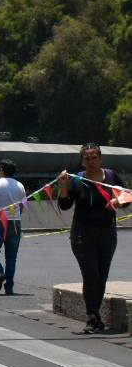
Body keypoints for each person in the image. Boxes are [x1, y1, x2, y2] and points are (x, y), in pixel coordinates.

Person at [56, 143, 124, 333]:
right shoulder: (77, 180)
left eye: (94, 157)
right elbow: (65, 204)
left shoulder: (112, 177)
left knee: (101, 276)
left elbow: (126, 197)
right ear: (82, 160)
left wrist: (118, 201)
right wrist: (64, 186)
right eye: (87, 158)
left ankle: (95, 316)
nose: (91, 161)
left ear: (100, 158)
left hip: (107, 232)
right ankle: (91, 316)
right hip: (82, 233)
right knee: (91, 274)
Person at [0, 159, 26, 296]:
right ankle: (9, 287)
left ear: (2, 169)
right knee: (11, 257)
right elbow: (22, 206)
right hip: (15, 222)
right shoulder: (20, 186)